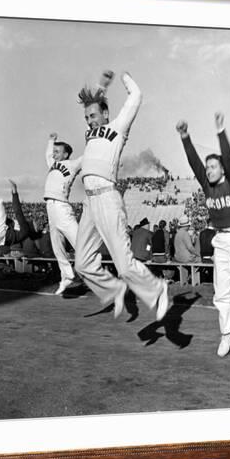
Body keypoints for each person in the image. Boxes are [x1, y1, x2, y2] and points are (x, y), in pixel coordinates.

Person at [74, 70, 168, 320]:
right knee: (82, 263)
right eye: (87, 117)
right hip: (89, 204)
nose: (90, 121)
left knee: (124, 265)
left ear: (106, 114)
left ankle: (157, 288)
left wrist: (125, 77)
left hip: (107, 198)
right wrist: (101, 86)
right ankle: (114, 290)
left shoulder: (118, 128)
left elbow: (135, 96)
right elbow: (94, 106)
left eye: (93, 116)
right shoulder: (89, 133)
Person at [177, 112, 230, 362]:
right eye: (207, 167)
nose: (208, 170)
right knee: (221, 294)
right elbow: (193, 162)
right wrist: (185, 136)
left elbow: (228, 157)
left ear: (222, 169)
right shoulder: (206, 184)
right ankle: (227, 334)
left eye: (212, 166)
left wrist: (221, 132)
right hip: (221, 241)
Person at [44, 133, 82, 295]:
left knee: (80, 243)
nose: (54, 154)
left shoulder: (72, 164)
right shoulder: (52, 163)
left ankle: (100, 273)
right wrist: (51, 140)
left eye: (57, 151)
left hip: (61, 207)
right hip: (50, 208)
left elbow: (87, 155)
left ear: (66, 154)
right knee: (57, 247)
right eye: (54, 151)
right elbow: (47, 153)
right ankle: (66, 276)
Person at [0, 179, 30, 256]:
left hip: (1, 234)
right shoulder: (21, 233)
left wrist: (14, 193)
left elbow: (18, 211)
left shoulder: (25, 228)